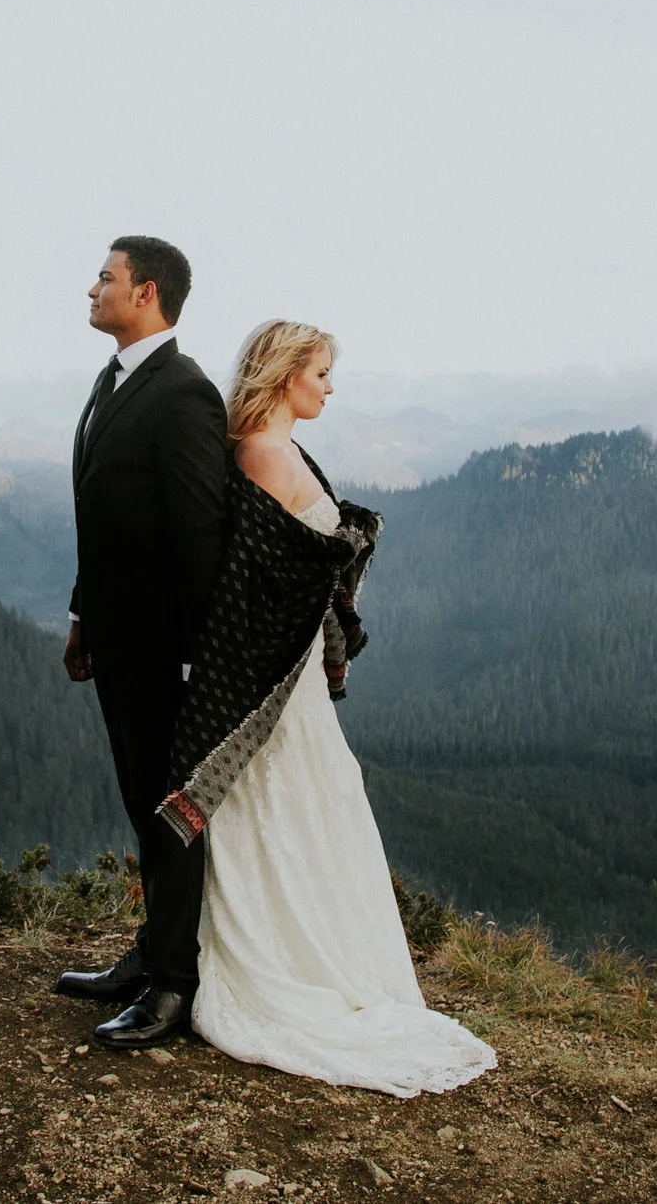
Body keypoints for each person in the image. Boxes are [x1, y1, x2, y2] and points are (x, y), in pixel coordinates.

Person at [165, 320, 497, 1096]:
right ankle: (290, 963)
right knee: (290, 809)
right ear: (286, 373)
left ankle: (319, 953)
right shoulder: (262, 453)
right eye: (320, 371)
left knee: (317, 806)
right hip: (280, 682)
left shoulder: (276, 447)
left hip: (301, 673)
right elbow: (261, 583)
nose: (329, 385)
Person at [50, 236, 228, 1049]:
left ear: (146, 292)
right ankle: (149, 953)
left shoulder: (184, 392)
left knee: (168, 811)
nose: (92, 288)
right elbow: (108, 517)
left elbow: (199, 531)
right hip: (119, 637)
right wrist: (86, 615)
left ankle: (174, 986)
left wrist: (197, 655)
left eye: (106, 277)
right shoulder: (115, 376)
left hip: (166, 649)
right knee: (138, 798)